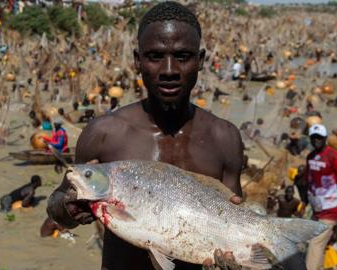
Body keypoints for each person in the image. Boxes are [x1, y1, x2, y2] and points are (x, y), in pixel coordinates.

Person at [47, 3, 246, 269]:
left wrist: (233, 259)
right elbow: (57, 209)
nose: (169, 70)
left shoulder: (225, 138)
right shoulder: (104, 133)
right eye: (154, 56)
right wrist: (69, 207)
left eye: (183, 56)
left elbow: (235, 220)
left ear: (200, 60)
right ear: (137, 60)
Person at [304, 124, 337, 270]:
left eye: (319, 138)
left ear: (325, 138)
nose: (316, 141)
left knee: (315, 243)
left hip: (332, 209)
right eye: (313, 138)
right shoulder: (311, 157)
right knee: (318, 245)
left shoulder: (335, 157)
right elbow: (310, 182)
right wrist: (312, 210)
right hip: (318, 208)